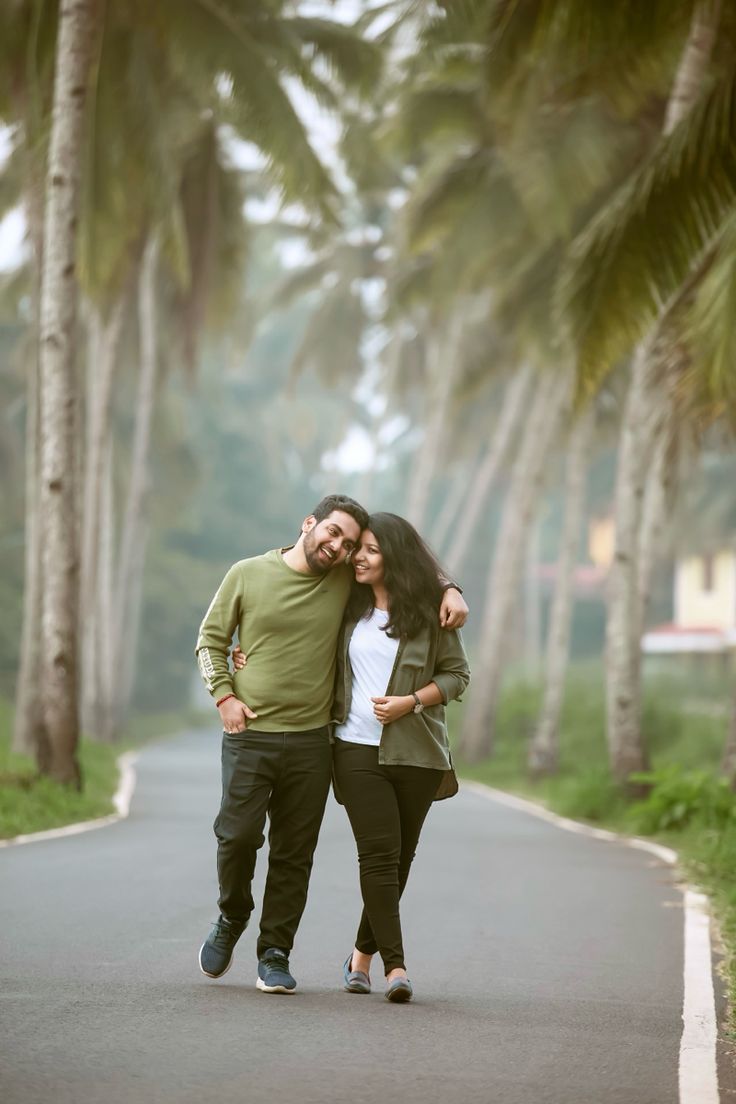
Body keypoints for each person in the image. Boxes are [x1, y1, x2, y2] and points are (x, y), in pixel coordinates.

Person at [195, 494, 468, 995]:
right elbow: (211, 640)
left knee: (295, 854)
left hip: (314, 741)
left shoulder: (346, 581)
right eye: (335, 534)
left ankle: (275, 953)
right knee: (236, 837)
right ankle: (232, 915)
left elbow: (403, 566)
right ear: (309, 524)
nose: (341, 548)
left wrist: (450, 589)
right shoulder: (248, 574)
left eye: (350, 543)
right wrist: (223, 696)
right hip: (251, 734)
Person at [331, 513, 469, 1003]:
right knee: (379, 855)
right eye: (357, 549)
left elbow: (457, 676)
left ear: (394, 555)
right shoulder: (345, 604)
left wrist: (412, 702)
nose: (359, 557)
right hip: (354, 748)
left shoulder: (431, 613)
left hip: (417, 753)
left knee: (400, 859)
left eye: (370, 549)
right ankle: (396, 968)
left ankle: (359, 957)